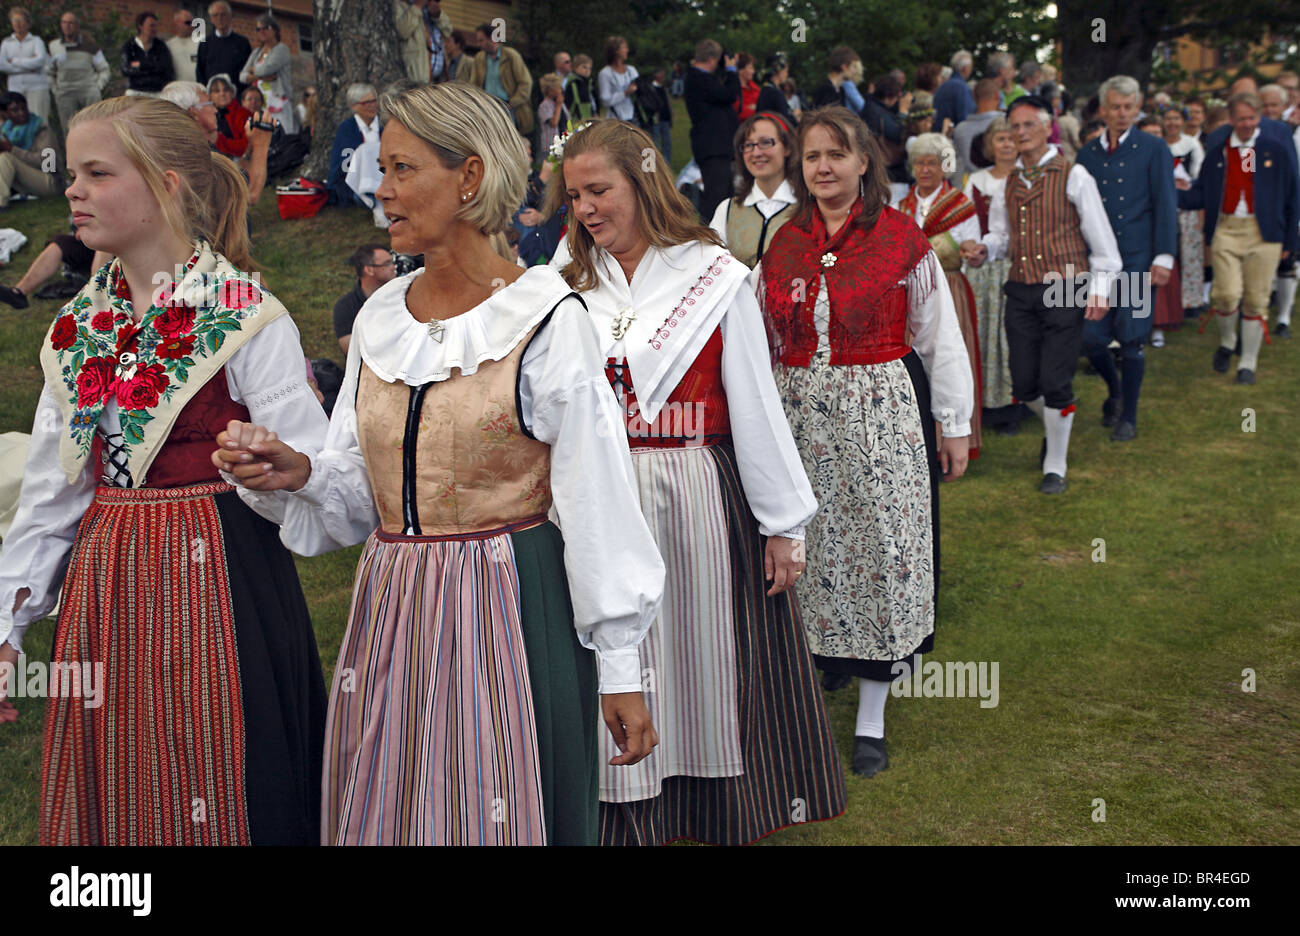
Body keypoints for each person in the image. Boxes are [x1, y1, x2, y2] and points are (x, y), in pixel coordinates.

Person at [216, 83, 665, 846]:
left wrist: (620, 665)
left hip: (512, 601)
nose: (381, 190)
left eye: (401, 169)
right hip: (394, 604)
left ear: (469, 176)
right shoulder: (381, 317)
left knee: (502, 802)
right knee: (397, 805)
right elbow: (362, 491)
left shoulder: (548, 317)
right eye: (380, 170)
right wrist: (299, 472)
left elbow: (596, 500)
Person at [0, 95, 328, 845]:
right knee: (120, 782)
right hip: (108, 584)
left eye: (96, 173)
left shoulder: (244, 315)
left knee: (220, 773)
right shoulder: (81, 323)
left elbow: (328, 474)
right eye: (73, 173)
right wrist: (10, 625)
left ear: (166, 185)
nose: (73, 189)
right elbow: (54, 494)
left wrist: (286, 468)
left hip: (220, 577)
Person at [547, 117, 844, 844]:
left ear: (642, 182)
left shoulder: (712, 276)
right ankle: (621, 809)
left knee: (699, 653)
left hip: (693, 491)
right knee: (615, 652)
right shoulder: (564, 280)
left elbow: (753, 400)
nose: (585, 209)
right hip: (594, 491)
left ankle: (706, 807)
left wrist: (782, 524)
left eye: (598, 190)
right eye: (574, 195)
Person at [760, 106, 972, 777]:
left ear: (862, 163)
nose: (822, 168)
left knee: (881, 548)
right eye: (812, 157)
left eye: (835, 155)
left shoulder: (902, 237)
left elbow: (939, 337)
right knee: (809, 547)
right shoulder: (783, 242)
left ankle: (873, 716)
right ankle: (819, 670)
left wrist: (956, 422)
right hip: (798, 414)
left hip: (880, 411)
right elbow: (760, 338)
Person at [973, 95, 1122, 494]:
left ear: (1047, 127)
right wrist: (986, 248)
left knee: (1056, 379)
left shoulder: (1075, 175)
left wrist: (1100, 289)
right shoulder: (1008, 183)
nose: (1020, 133)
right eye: (1014, 127)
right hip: (1021, 287)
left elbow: (1103, 243)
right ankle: (1056, 425)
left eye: (1027, 126)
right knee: (1023, 384)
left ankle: (1055, 463)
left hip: (1064, 285)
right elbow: (1003, 236)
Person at [1074, 77, 1177, 439]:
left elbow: (1166, 202)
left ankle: (1128, 416)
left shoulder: (1153, 148)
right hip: (1096, 264)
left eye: (1128, 107)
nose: (1121, 114)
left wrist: (1163, 256)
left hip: (1136, 260)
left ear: (1137, 108)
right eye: (1115, 107)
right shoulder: (1086, 155)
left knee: (1132, 339)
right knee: (1089, 338)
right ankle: (1115, 392)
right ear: (1103, 109)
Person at [1179, 92, 1300, 382]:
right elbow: (1203, 192)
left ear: (1259, 118)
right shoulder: (1219, 151)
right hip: (1227, 229)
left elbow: (1292, 195)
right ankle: (1227, 341)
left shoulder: (1274, 150)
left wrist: (1290, 242)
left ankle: (1248, 363)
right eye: (1241, 118)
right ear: (1231, 119)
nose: (1246, 124)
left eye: (1252, 118)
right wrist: (1171, 192)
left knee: (1256, 300)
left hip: (1265, 233)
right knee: (1226, 294)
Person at [894, 132, 984, 459]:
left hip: (950, 289)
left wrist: (972, 251)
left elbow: (971, 246)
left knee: (949, 358)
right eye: (920, 163)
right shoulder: (900, 206)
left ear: (944, 167)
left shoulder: (960, 205)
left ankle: (957, 436)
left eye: (932, 162)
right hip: (908, 295)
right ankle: (920, 437)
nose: (925, 169)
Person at [964, 116, 1022, 433]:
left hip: (1019, 263)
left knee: (1011, 335)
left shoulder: (1029, 176)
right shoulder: (977, 180)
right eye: (1000, 139)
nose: (1007, 144)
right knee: (985, 333)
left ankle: (1015, 402)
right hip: (984, 266)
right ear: (990, 145)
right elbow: (969, 224)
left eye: (1012, 138)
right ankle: (986, 403)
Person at [709, 111, 798, 267]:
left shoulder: (808, 208)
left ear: (787, 148)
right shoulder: (727, 210)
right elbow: (711, 267)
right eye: (749, 145)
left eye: (766, 142)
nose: (756, 152)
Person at [685, 39, 740, 222]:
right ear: (711, 59)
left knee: (725, 194)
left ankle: (719, 235)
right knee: (716, 197)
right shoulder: (698, 78)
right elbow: (730, 94)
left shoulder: (702, 79)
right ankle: (709, 236)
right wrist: (732, 70)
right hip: (712, 147)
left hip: (718, 147)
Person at [1163, 104, 1206, 323]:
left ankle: (1191, 300)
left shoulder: (1191, 144)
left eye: (1176, 119)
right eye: (1168, 118)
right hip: (1164, 203)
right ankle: (1168, 302)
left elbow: (1198, 172)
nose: (1172, 123)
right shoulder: (1158, 145)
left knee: (1191, 251)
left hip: (1186, 202)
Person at [459, 23, 534, 137]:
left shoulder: (511, 56)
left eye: (481, 40)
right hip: (488, 107)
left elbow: (526, 83)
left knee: (508, 140)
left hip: (508, 106)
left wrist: (512, 103)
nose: (478, 44)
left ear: (492, 39)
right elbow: (474, 85)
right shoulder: (479, 58)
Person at [46, 12, 110, 137]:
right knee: (69, 132)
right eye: (64, 22)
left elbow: (104, 69)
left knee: (94, 128)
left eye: (70, 23)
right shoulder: (54, 46)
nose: (67, 26)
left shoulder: (90, 45)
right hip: (65, 94)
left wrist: (97, 87)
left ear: (77, 26)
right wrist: (55, 90)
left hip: (88, 92)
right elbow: (48, 71)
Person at [324, 83, 381, 214]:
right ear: (354, 106)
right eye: (366, 103)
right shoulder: (347, 129)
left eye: (374, 101)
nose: (372, 105)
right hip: (357, 183)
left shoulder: (383, 126)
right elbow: (345, 165)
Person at [0, 92, 62, 208]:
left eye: (24, 108)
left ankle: (1, 203)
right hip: (25, 181)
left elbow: (48, 164)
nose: (22, 113)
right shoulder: (5, 130)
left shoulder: (41, 129)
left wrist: (12, 150)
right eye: (15, 110)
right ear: (5, 114)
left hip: (51, 182)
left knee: (6, 158)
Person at [333, 243, 395, 354]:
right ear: (369, 270)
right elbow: (350, 348)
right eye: (387, 264)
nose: (393, 267)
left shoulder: (402, 295)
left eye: (392, 262)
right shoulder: (345, 306)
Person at [240, 15, 296, 135]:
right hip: (259, 102)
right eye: (258, 29)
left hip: (277, 100)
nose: (261, 31)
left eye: (265, 27)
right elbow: (242, 76)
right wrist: (260, 77)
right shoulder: (256, 52)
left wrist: (253, 71)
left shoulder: (282, 49)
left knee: (283, 133)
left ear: (275, 29)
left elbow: (267, 69)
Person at [951, 78, 1002, 184]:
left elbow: (956, 166)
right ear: (997, 96)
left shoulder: (960, 130)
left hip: (970, 185)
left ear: (974, 97)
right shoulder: (1007, 124)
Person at [0, 7, 48, 120]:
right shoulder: (6, 43)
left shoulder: (36, 41)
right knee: (18, 121)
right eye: (15, 21)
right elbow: (2, 65)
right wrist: (29, 66)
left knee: (39, 120)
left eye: (20, 20)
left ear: (27, 23)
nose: (18, 24)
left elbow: (40, 61)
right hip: (15, 88)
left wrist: (15, 62)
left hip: (36, 87)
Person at [197, 1, 252, 99]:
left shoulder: (242, 43)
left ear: (230, 16)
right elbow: (200, 72)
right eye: (215, 15)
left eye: (223, 15)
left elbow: (247, 71)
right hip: (212, 98)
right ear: (211, 19)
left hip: (236, 99)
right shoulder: (205, 43)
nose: (219, 18)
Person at [121, 11, 174, 98]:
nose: (154, 29)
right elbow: (125, 69)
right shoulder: (130, 45)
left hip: (156, 92)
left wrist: (140, 64)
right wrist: (152, 65)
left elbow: (166, 68)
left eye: (156, 26)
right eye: (151, 26)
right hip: (136, 90)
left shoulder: (161, 46)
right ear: (140, 26)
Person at [597, 35, 638, 122]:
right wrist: (625, 93)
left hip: (634, 117)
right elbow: (606, 101)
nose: (627, 50)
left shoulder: (631, 70)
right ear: (616, 50)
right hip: (616, 119)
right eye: (624, 48)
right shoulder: (605, 73)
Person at [933, 50, 976, 132]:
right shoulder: (963, 88)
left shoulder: (941, 87)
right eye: (971, 67)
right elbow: (965, 119)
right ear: (965, 68)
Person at [208, 75, 250, 158]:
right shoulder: (206, 115)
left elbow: (247, 146)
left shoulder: (244, 114)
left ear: (232, 92)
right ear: (210, 96)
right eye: (217, 91)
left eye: (226, 90)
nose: (222, 94)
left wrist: (218, 140)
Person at [755, 51, 797, 126]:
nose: (787, 74)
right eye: (786, 71)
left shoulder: (766, 90)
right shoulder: (775, 93)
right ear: (779, 71)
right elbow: (785, 120)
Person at [537, 73, 568, 159]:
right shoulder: (544, 106)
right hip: (551, 144)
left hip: (563, 141)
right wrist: (558, 106)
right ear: (550, 91)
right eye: (558, 88)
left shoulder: (561, 103)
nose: (561, 90)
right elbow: (553, 123)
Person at [645, 68, 673, 163]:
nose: (663, 77)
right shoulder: (651, 88)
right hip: (656, 119)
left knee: (667, 143)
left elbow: (668, 104)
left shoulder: (664, 89)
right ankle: (654, 163)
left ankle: (666, 163)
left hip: (665, 119)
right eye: (662, 74)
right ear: (657, 75)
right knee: (655, 142)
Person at [564, 53, 598, 126]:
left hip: (589, 117)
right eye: (584, 67)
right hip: (577, 118)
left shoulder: (589, 83)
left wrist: (595, 112)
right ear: (575, 67)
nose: (587, 71)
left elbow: (593, 100)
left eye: (589, 68)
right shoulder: (572, 83)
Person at [165, 8, 198, 83]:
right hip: (178, 89)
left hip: (198, 88)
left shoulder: (202, 44)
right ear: (177, 23)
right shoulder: (168, 46)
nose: (191, 25)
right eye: (188, 22)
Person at [734, 53, 761, 122]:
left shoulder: (755, 87)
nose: (753, 72)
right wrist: (758, 109)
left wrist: (752, 108)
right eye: (750, 68)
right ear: (740, 70)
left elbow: (766, 105)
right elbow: (740, 113)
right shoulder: (733, 89)